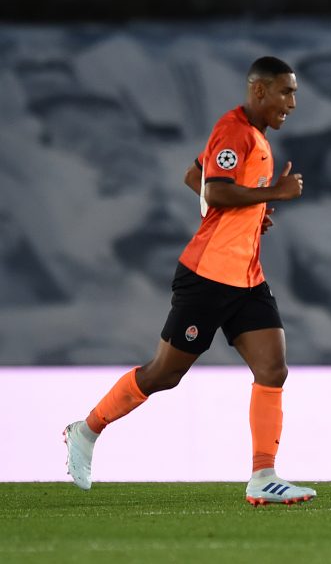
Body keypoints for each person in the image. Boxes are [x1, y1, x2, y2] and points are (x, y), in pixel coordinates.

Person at [63, 56, 317, 505]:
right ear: (258, 91)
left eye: (293, 92)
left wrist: (254, 214)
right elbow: (215, 189)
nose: (292, 102)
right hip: (207, 276)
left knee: (273, 369)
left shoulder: (252, 135)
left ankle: (263, 476)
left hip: (247, 277)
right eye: (285, 91)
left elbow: (194, 177)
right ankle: (86, 430)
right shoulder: (235, 130)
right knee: (164, 374)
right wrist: (271, 194)